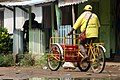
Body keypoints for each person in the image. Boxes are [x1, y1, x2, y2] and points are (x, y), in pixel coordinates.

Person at [63, 5, 100, 69]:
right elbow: (98, 25)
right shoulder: (95, 16)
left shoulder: (83, 15)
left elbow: (76, 25)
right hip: (95, 34)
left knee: (80, 44)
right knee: (89, 46)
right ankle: (89, 57)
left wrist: (70, 32)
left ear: (84, 9)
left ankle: (85, 56)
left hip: (87, 34)